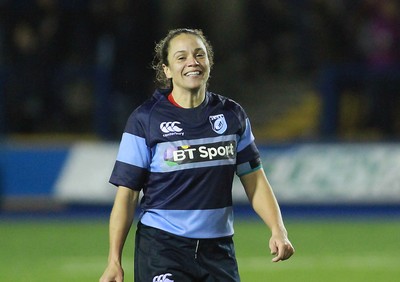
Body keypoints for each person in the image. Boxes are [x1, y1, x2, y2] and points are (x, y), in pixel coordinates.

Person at [100, 28, 294, 282]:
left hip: (218, 250)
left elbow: (254, 179)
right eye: (181, 57)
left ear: (209, 63)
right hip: (163, 248)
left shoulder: (232, 116)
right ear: (167, 70)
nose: (192, 62)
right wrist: (114, 260)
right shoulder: (145, 120)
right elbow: (127, 196)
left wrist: (278, 229)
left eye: (199, 55)